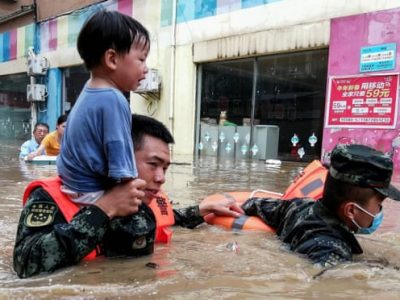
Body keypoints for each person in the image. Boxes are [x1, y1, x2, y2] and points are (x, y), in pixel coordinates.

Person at [13, 114, 243, 278]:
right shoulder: (51, 197)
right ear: (118, 156)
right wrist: (103, 210)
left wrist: (200, 211)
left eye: (166, 167)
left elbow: (170, 218)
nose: (161, 177)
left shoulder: (145, 198)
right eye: (153, 164)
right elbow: (25, 264)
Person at [242, 144, 400, 267]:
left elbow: (254, 204)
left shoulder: (298, 205)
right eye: (379, 204)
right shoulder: (333, 250)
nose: (379, 211)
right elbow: (327, 283)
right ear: (351, 210)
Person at [56, 10, 149, 205]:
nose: (146, 68)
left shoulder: (89, 91)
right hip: (92, 194)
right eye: (141, 59)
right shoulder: (113, 99)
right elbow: (122, 164)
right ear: (112, 59)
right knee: (146, 211)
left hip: (73, 187)